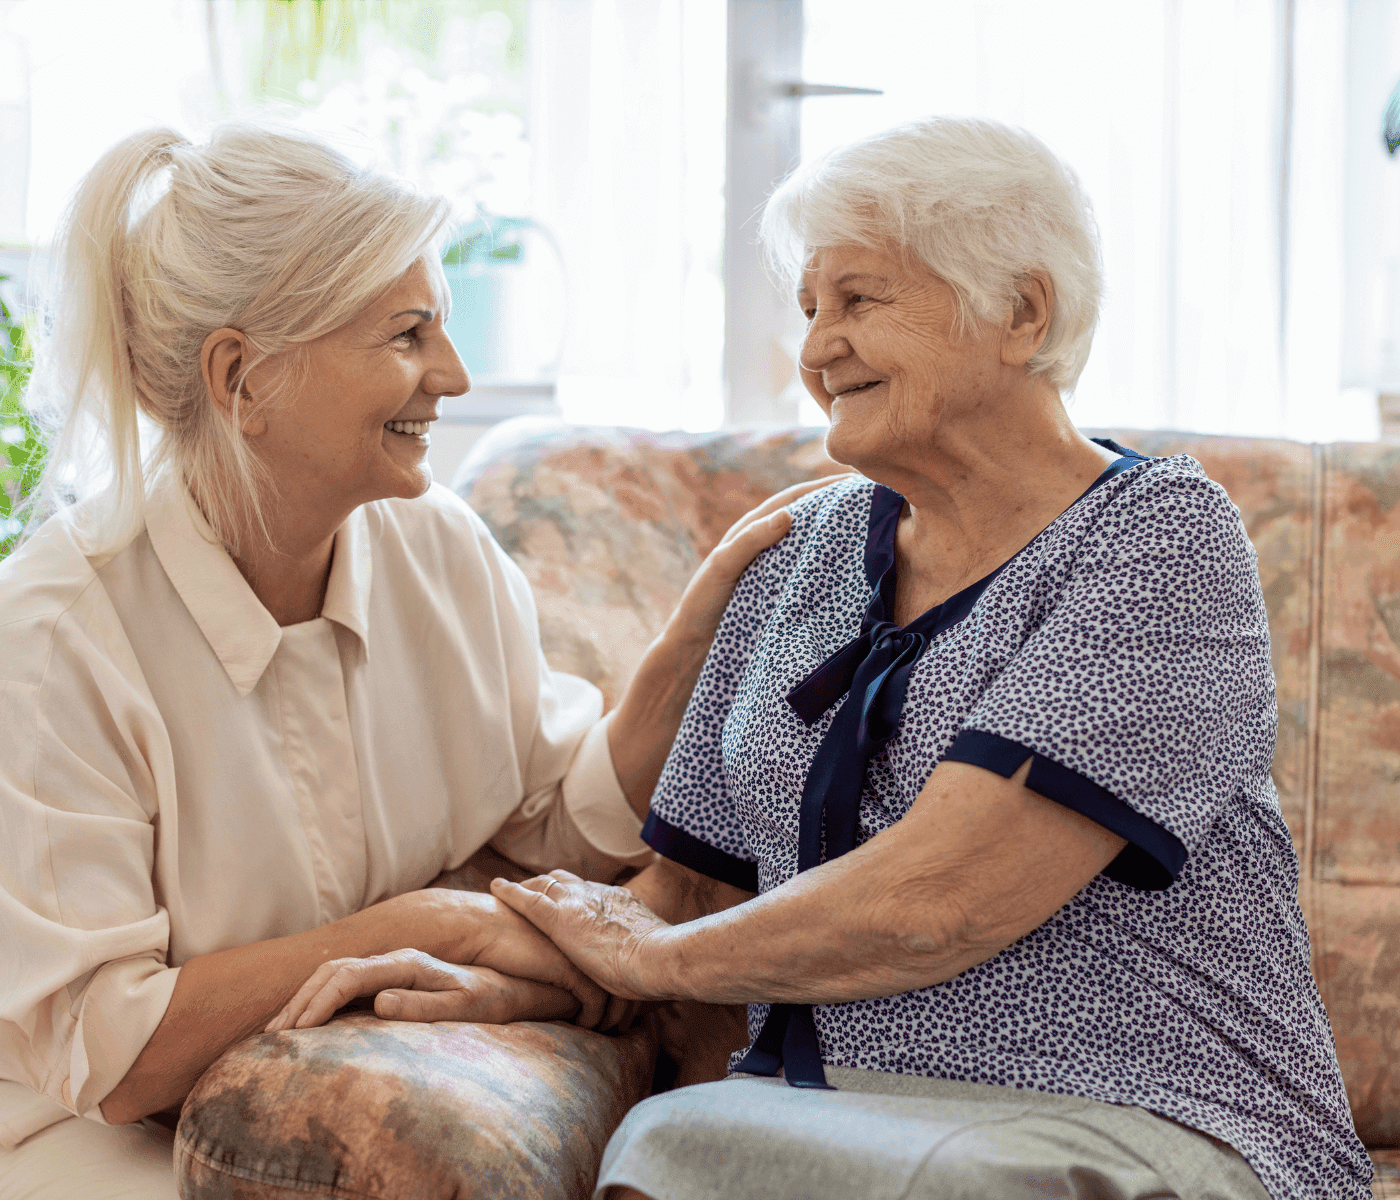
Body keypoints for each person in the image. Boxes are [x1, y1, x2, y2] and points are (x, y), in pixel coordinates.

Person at [285, 117, 1373, 1199]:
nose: (813, 351)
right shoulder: (794, 558)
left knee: (739, 1156)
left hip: (1145, 1113)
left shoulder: (1157, 541)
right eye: (808, 310)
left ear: (1019, 311)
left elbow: (947, 892)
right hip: (815, 1115)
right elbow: (675, 897)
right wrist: (501, 962)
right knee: (677, 1143)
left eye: (858, 300)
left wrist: (648, 962)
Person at [0, 123, 829, 1198]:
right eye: (406, 333)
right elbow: (108, 1053)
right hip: (88, 1148)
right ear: (242, 376)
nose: (453, 373)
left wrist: (690, 643)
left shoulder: (431, 540)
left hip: (349, 1096)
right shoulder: (49, 643)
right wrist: (420, 924)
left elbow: (552, 817)